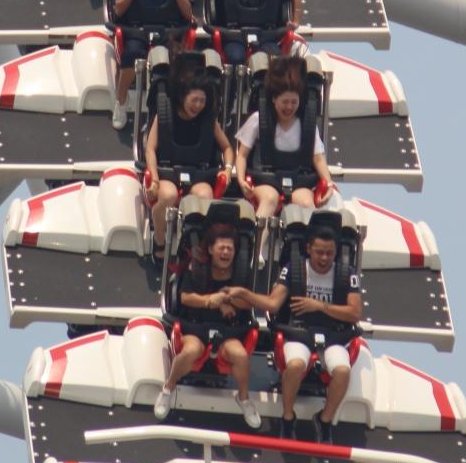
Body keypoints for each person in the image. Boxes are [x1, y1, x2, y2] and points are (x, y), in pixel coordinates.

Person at [258, 226, 364, 441]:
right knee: (296, 366)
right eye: (319, 252)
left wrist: (319, 306)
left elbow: (354, 313)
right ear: (309, 249)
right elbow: (273, 303)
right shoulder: (294, 269)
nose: (324, 258)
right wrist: (244, 295)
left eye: (329, 253)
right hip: (299, 332)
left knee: (343, 372)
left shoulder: (346, 274)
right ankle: (288, 417)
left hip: (333, 335)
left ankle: (324, 420)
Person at [153, 220, 262, 429]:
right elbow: (185, 297)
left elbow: (247, 302)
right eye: (221, 247)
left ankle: (244, 399)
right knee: (191, 350)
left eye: (230, 248)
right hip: (196, 325)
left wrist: (224, 300)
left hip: (228, 330)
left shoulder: (241, 274)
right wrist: (209, 301)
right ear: (211, 249)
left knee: (240, 355)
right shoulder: (197, 268)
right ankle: (168, 388)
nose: (226, 252)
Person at [144, 63, 233, 250]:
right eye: (194, 100)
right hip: (167, 171)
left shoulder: (209, 119)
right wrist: (154, 179)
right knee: (168, 195)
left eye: (202, 101)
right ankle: (159, 239)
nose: (198, 105)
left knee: (205, 195)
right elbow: (150, 148)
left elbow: (227, 147)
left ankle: (194, 243)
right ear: (183, 97)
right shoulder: (165, 115)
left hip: (198, 173)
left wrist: (227, 169)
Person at [235, 57, 334, 218]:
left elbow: (318, 158)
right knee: (269, 199)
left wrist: (329, 184)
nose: (289, 107)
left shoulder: (307, 124)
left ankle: (307, 241)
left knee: (306, 203)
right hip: (266, 179)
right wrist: (241, 180)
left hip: (298, 180)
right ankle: (258, 241)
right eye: (285, 102)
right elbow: (242, 155)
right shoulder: (258, 120)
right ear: (274, 99)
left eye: (293, 102)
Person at [109, 0, 192, 130]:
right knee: (132, 54)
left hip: (168, 34)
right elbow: (118, 10)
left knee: (175, 59)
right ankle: (121, 100)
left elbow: (188, 15)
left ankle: (169, 107)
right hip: (137, 33)